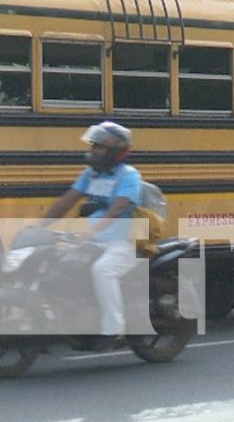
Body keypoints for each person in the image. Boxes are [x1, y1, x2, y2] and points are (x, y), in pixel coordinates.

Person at [38, 121, 142, 350]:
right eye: (93, 146)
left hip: (123, 243)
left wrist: (89, 233)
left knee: (102, 270)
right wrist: (39, 227)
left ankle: (113, 330)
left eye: (99, 148)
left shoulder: (129, 176)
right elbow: (67, 201)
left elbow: (116, 210)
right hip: (93, 241)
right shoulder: (91, 174)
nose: (93, 151)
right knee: (55, 264)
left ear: (114, 151)